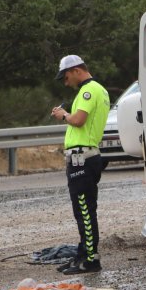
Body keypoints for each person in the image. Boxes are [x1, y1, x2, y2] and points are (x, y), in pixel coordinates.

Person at [50, 55, 110, 275]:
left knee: (84, 211)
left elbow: (78, 120)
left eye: (65, 77)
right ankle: (84, 254)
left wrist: (63, 114)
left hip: (82, 159)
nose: (66, 82)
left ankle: (91, 260)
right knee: (84, 210)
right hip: (86, 157)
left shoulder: (88, 91)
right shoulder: (99, 90)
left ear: (76, 70)